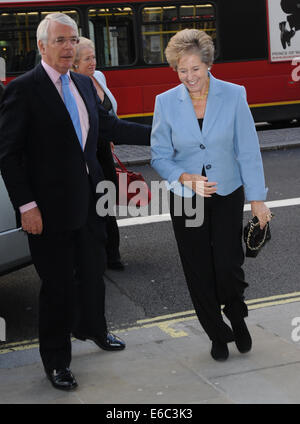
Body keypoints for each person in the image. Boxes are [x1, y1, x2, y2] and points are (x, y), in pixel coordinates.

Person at [0, 13, 151, 391]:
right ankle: (57, 361)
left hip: (90, 201)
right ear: (42, 46)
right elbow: (8, 155)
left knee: (93, 271)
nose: (69, 47)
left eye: (73, 40)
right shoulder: (24, 89)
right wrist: (26, 206)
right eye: (61, 41)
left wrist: (161, 134)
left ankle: (95, 330)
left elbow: (110, 126)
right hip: (48, 211)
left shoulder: (84, 84)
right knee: (58, 287)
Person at [151, 29, 272, 362]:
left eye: (195, 69)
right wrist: (184, 177)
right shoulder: (165, 102)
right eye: (181, 70)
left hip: (227, 192)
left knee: (227, 264)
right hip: (186, 197)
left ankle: (235, 313)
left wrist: (257, 199)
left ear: (208, 64)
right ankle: (216, 333)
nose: (189, 77)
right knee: (198, 268)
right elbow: (159, 155)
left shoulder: (234, 95)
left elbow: (247, 149)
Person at [72, 37, 123, 271]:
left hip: (104, 150)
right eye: (87, 59)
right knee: (93, 206)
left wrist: (111, 136)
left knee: (107, 203)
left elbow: (110, 112)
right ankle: (97, 257)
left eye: (93, 57)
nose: (93, 62)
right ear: (74, 64)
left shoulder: (99, 77)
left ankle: (112, 254)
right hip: (88, 153)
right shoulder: (73, 85)